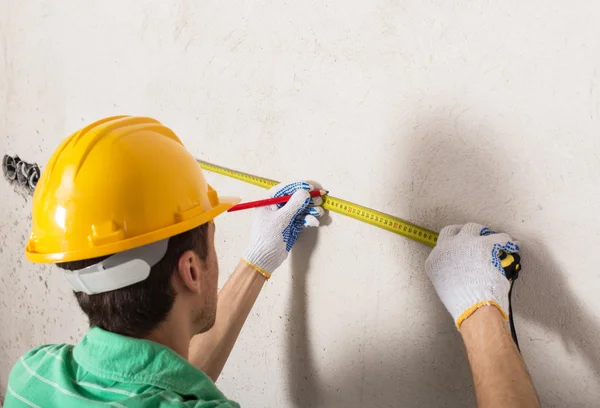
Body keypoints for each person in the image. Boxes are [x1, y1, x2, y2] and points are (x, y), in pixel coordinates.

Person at [4, 116, 539, 408]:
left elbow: (162, 386)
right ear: (190, 270)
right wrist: (479, 311)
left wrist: (257, 261)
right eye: (213, 236)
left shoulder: (33, 377)